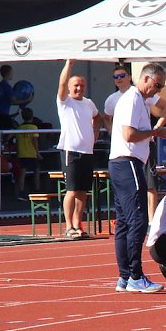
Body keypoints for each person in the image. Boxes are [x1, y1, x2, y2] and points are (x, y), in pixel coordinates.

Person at [110, 62, 166, 294]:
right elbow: (129, 134)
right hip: (127, 162)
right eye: (157, 85)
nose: (158, 90)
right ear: (145, 79)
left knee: (125, 222)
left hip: (123, 163)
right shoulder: (133, 99)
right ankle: (135, 275)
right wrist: (155, 132)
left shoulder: (140, 99)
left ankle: (125, 276)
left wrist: (157, 126)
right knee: (136, 219)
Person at [56, 59, 102, 238]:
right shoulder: (65, 102)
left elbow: (98, 118)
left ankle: (77, 224)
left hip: (87, 151)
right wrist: (69, 65)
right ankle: (68, 226)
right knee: (72, 190)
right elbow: (61, 83)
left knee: (83, 191)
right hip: (70, 150)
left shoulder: (89, 103)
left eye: (82, 85)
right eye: (76, 85)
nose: (79, 88)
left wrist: (95, 133)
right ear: (69, 87)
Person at [15, 107, 41, 197]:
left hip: (22, 153)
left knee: (22, 173)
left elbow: (17, 142)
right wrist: (37, 153)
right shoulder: (34, 127)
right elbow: (35, 141)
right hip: (32, 153)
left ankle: (21, 191)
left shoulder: (19, 128)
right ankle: (37, 190)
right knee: (36, 171)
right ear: (32, 116)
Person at [102, 64, 132, 135]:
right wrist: (111, 132)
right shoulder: (111, 99)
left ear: (129, 77)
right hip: (120, 141)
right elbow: (106, 118)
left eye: (122, 76)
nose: (119, 78)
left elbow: (163, 106)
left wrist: (157, 126)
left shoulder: (140, 93)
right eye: (115, 76)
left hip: (140, 139)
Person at [0, 65, 29, 130]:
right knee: (10, 131)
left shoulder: (1, 85)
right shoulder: (7, 87)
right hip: (4, 114)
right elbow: (14, 101)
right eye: (12, 72)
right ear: (8, 73)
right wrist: (27, 100)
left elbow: (8, 101)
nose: (12, 74)